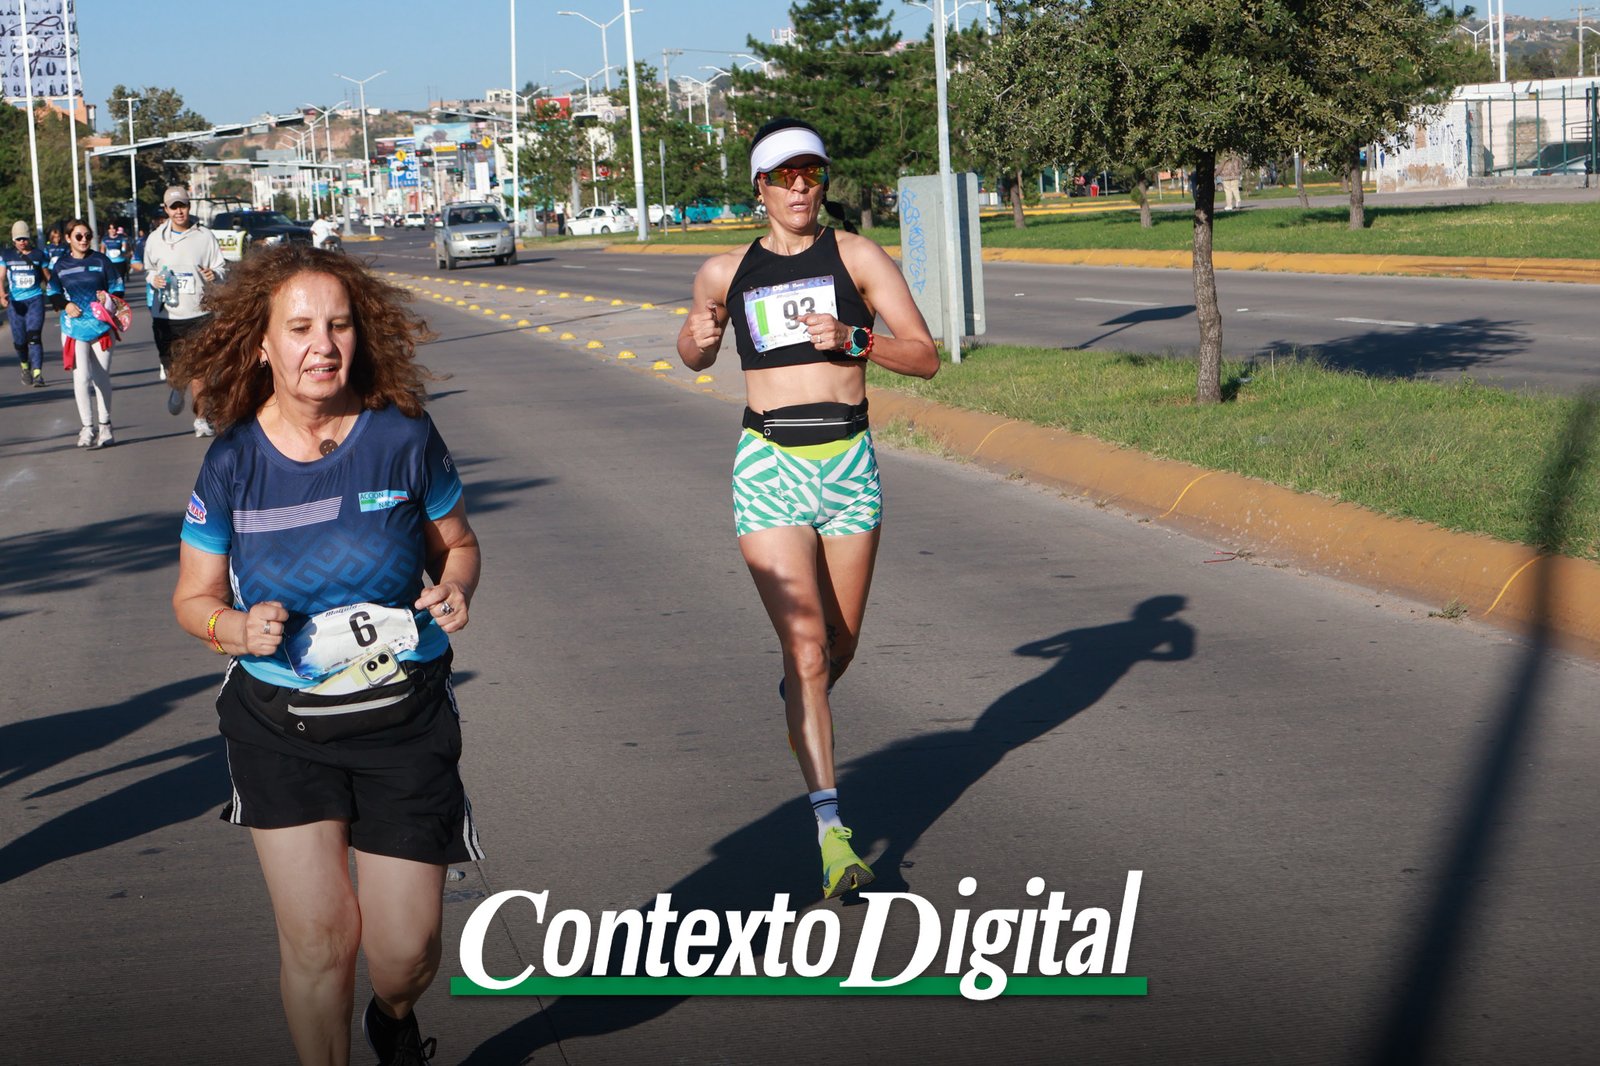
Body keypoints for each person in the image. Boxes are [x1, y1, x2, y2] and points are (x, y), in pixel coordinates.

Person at [170, 242, 482, 1066]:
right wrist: (234, 630)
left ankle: (394, 1017)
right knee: (319, 943)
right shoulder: (233, 460)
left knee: (405, 953)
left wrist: (456, 588)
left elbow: (457, 544)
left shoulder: (402, 435)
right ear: (262, 345)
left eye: (339, 325)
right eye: (301, 327)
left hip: (402, 720)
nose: (323, 345)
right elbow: (192, 598)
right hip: (282, 724)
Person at [675, 117, 939, 899]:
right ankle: (832, 834)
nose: (800, 188)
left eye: (811, 174)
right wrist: (697, 337)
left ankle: (803, 699)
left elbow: (924, 355)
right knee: (808, 652)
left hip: (849, 463)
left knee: (840, 644)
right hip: (770, 466)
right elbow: (694, 352)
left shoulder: (856, 257)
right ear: (759, 187)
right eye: (784, 176)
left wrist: (855, 340)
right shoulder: (725, 271)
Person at [144, 185, 227, 435]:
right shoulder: (156, 239)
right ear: (166, 210)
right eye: (174, 207)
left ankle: (201, 419)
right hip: (167, 315)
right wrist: (154, 279)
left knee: (200, 369)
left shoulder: (205, 236)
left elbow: (221, 267)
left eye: (183, 206)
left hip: (199, 313)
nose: (179, 212)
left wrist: (215, 274)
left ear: (189, 207)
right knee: (174, 371)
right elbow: (148, 270)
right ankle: (177, 387)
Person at [46, 219, 124, 447]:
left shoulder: (101, 261)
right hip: (73, 328)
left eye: (87, 236)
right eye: (78, 236)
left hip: (101, 327)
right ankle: (87, 428)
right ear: (68, 238)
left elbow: (118, 287)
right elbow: (53, 293)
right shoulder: (61, 265)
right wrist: (65, 305)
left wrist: (107, 298)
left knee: (100, 376)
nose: (84, 240)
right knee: (81, 378)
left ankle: (105, 426)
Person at [2, 220, 52, 388]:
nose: (22, 242)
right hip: (15, 303)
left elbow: (48, 277)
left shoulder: (39, 255)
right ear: (13, 240)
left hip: (35, 299)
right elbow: (1, 277)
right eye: (18, 239)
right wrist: (1, 295)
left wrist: (55, 296)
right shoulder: (6, 255)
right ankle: (25, 365)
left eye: (24, 238)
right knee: (20, 340)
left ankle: (38, 373)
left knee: (34, 336)